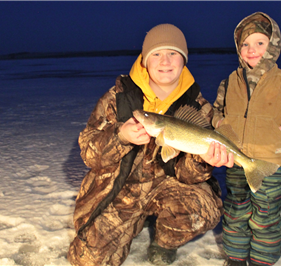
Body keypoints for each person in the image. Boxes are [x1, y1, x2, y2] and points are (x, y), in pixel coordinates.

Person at [67, 23, 224, 266]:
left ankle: (164, 240)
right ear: (145, 60)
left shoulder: (198, 106)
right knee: (88, 261)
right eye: (157, 54)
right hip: (120, 190)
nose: (165, 61)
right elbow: (88, 153)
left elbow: (189, 175)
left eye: (173, 53)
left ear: (184, 60)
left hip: (169, 189)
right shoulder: (118, 98)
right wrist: (121, 136)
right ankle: (133, 221)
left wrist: (203, 160)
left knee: (204, 209)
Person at [210, 12, 281, 266]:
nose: (251, 50)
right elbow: (215, 110)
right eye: (245, 44)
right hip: (236, 160)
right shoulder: (229, 82)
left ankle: (262, 261)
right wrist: (218, 122)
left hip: (271, 164)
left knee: (265, 217)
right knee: (236, 212)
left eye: (259, 43)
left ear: (273, 46)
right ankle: (235, 259)